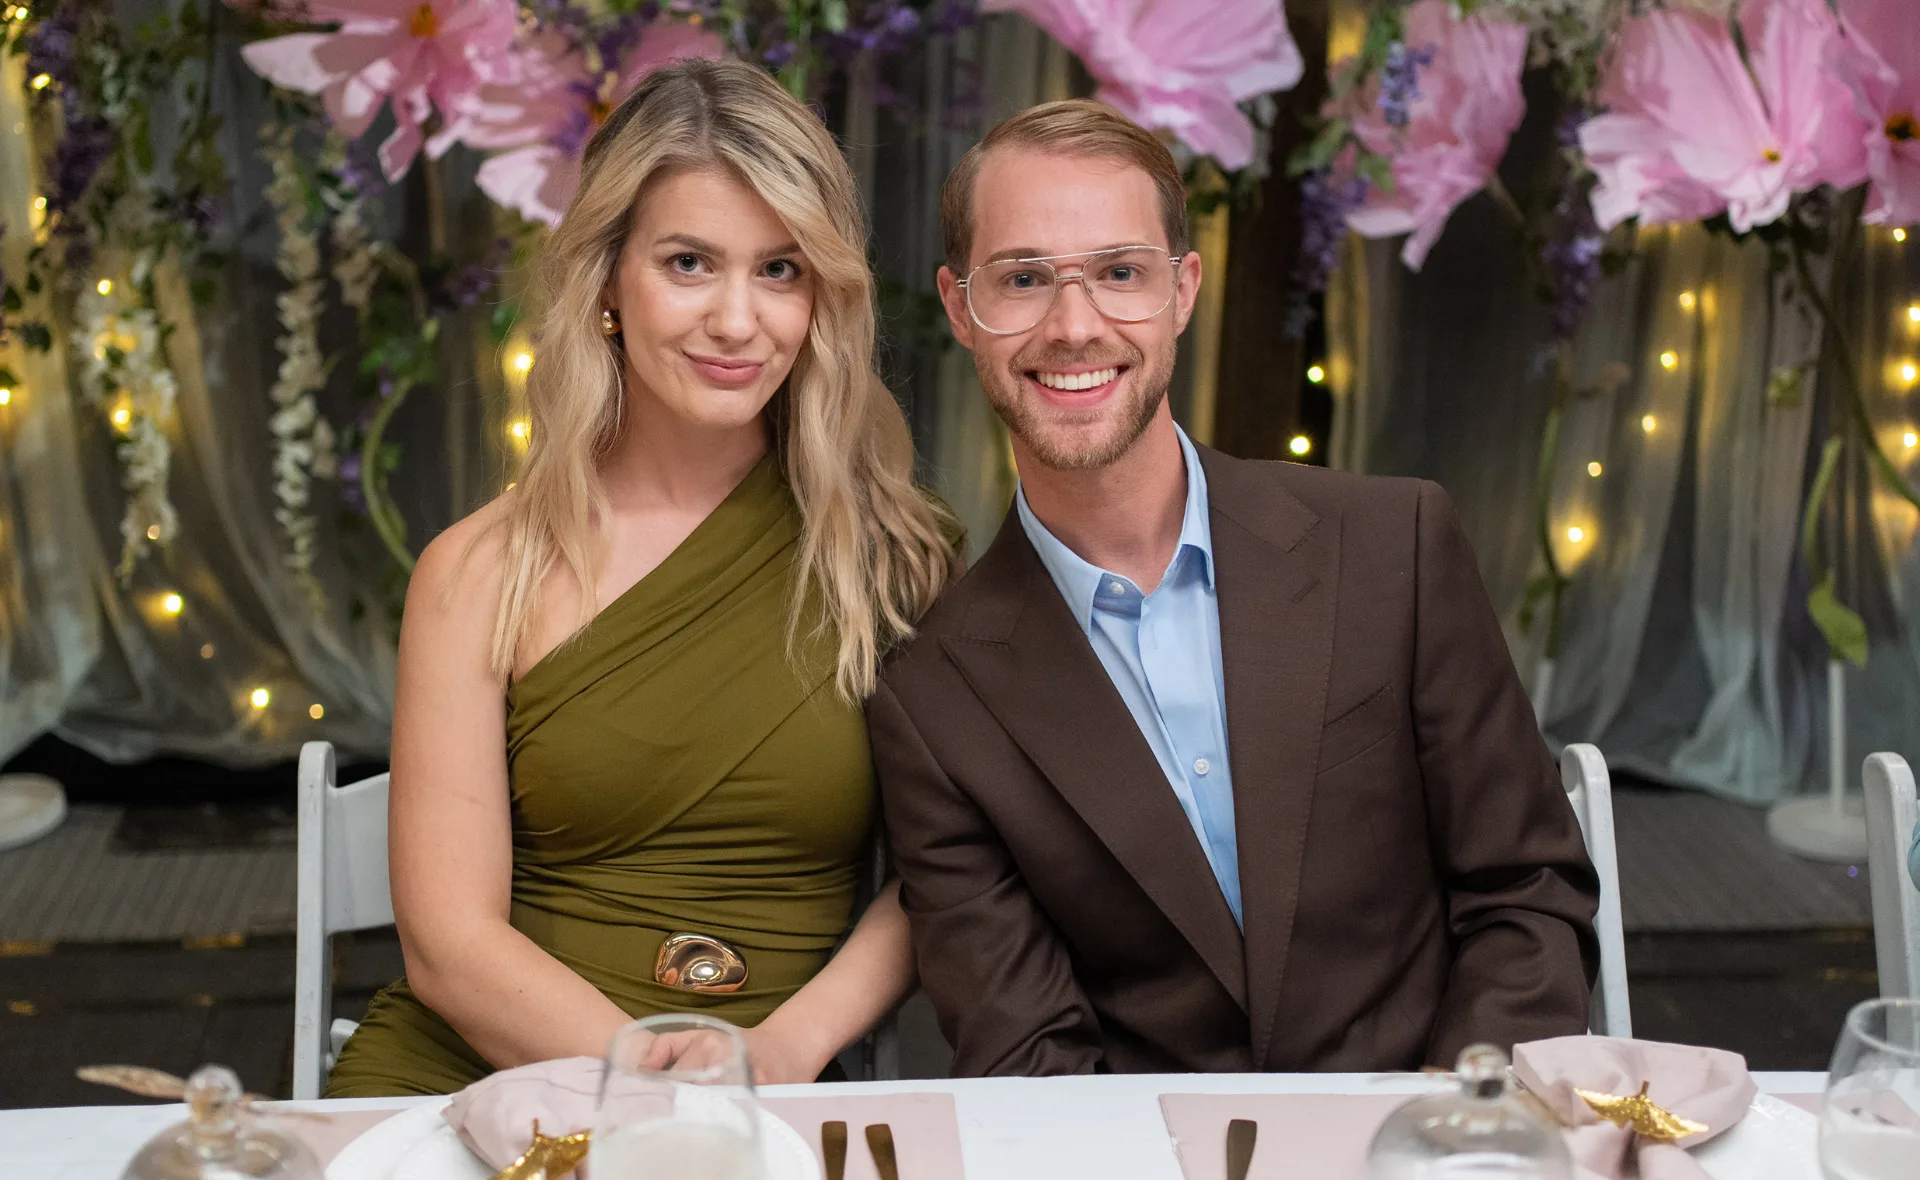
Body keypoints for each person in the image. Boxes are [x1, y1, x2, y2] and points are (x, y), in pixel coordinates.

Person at [870, 99, 1601, 1077]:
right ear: (963, 310)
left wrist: (1452, 1126)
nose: (1075, 326)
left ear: (1182, 290)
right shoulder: (933, 699)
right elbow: (1029, 1057)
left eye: (1120, 273)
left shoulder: (1393, 545)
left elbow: (1526, 890)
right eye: (1025, 279)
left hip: (1432, 1124)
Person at [326, 59, 961, 1097]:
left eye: (780, 269)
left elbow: (946, 871)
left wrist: (784, 1050)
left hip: (764, 1090)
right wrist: (649, 1082)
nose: (737, 320)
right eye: (688, 263)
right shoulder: (478, 571)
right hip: (485, 1074)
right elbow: (448, 945)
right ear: (608, 280)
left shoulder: (896, 556)